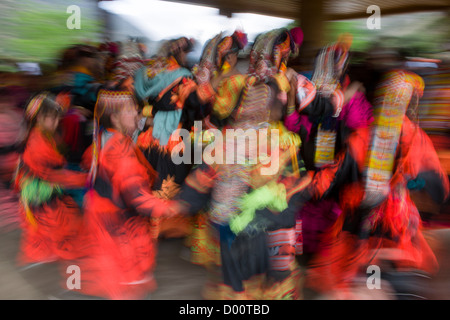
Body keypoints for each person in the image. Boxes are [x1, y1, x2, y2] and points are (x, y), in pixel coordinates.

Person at [175, 27, 310, 300]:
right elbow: (209, 108)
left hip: (256, 148)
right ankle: (251, 284)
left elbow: (215, 110)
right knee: (246, 220)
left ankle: (254, 283)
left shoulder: (255, 83)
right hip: (248, 150)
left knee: (267, 218)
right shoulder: (250, 82)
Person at [304, 69, 450, 299]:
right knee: (379, 278)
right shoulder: (413, 137)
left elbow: (333, 176)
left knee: (366, 277)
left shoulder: (366, 136)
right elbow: (439, 189)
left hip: (367, 225)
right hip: (388, 228)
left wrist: (309, 187)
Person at [72, 89, 178, 300]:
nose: (137, 114)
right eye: (131, 110)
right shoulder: (119, 150)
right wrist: (174, 207)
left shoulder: (104, 139)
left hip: (105, 224)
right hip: (121, 232)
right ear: (115, 117)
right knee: (129, 288)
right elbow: (136, 197)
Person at [284, 35, 374, 259]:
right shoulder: (342, 93)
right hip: (328, 161)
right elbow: (360, 126)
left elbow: (295, 124)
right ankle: (319, 254)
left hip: (320, 159)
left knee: (314, 201)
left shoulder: (309, 89)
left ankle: (306, 252)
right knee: (321, 201)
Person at [134, 37, 198, 238]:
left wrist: (149, 112)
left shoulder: (150, 71)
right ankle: (166, 226)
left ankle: (147, 223)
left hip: (149, 134)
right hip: (173, 135)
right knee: (170, 178)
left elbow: (138, 96)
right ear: (181, 53)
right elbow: (192, 105)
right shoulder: (184, 75)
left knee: (149, 177)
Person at [14, 92, 88, 265]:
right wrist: (84, 179)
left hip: (43, 191)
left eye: (57, 119)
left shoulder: (42, 136)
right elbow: (54, 175)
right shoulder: (38, 142)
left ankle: (46, 255)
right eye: (52, 119)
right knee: (60, 225)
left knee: (50, 228)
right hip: (41, 193)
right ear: (40, 118)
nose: (56, 123)